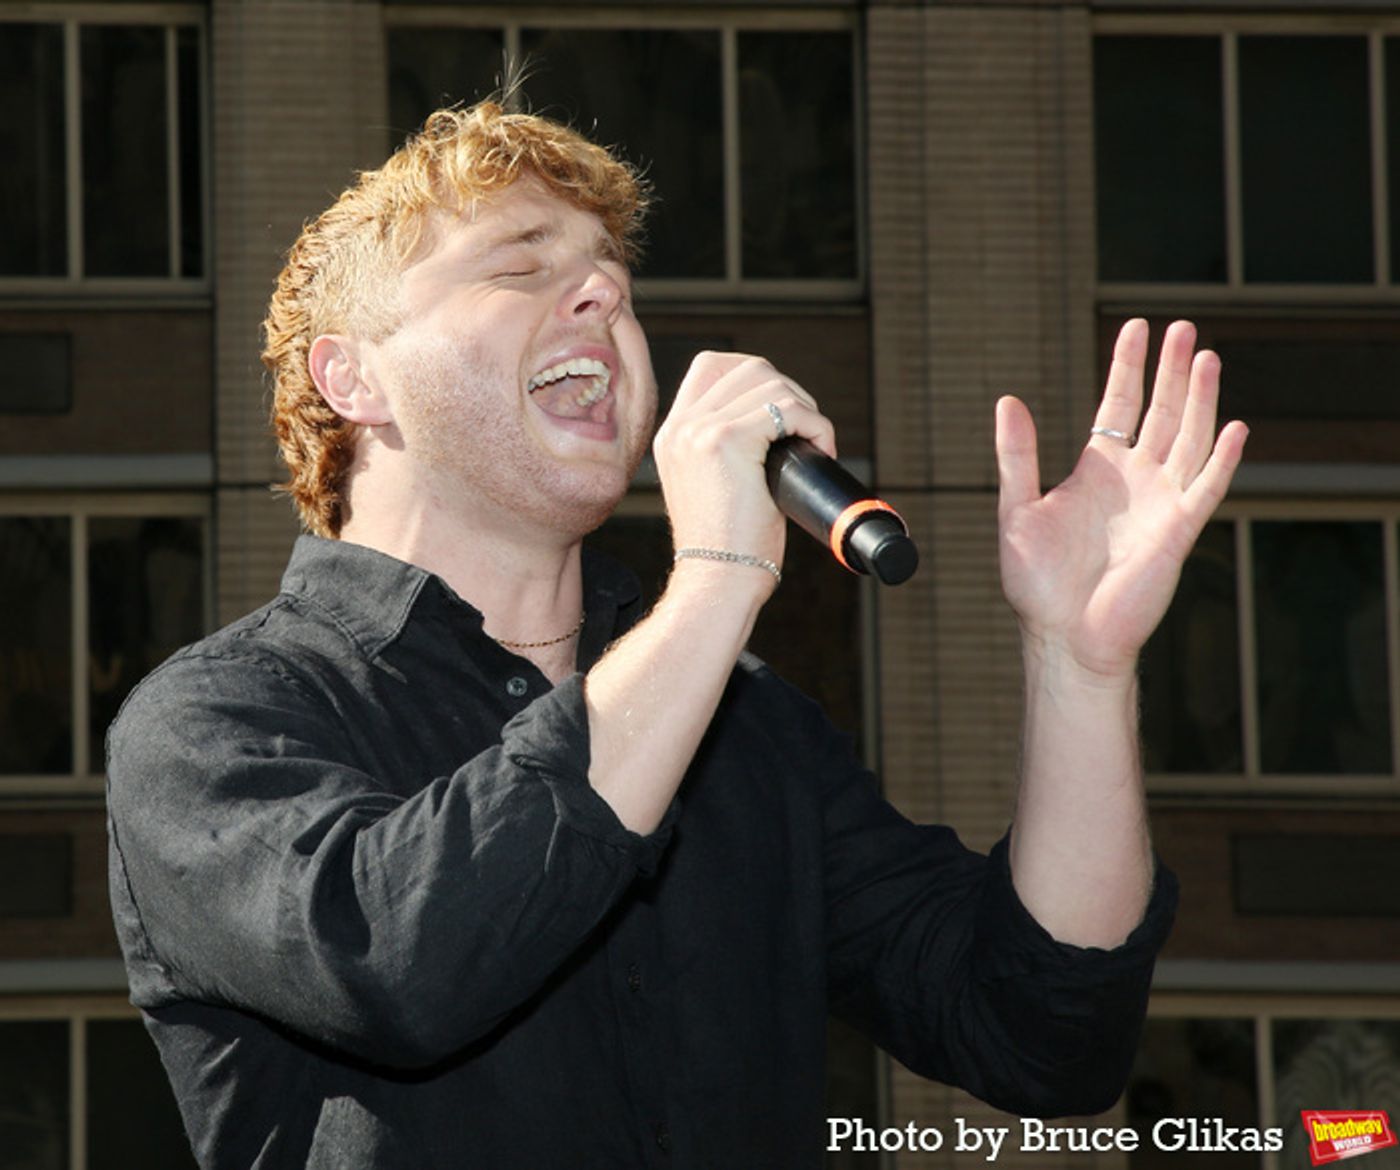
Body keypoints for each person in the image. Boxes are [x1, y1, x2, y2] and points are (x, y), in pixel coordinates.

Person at [106, 101, 1247, 1169]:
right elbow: (405, 962)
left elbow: (1043, 1035)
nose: (601, 295)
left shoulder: (744, 729)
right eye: (521, 265)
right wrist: (712, 580)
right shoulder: (216, 723)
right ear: (352, 376)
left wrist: (1079, 665)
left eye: (613, 277)